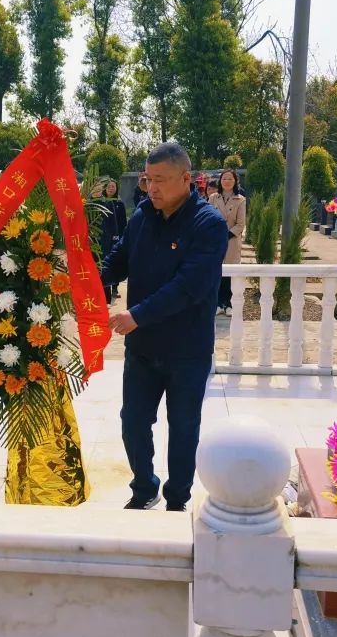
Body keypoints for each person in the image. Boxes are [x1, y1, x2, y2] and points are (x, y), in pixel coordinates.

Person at [101, 142, 227, 512]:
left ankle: (177, 498)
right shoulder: (142, 216)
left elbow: (188, 287)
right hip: (143, 348)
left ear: (186, 179)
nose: (151, 188)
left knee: (184, 427)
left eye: (160, 180)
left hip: (187, 350)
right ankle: (144, 487)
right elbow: (118, 260)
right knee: (133, 422)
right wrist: (86, 279)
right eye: (147, 179)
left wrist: (136, 315)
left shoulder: (208, 224)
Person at [209, 169, 246, 316]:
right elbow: (207, 217)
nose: (227, 181)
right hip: (214, 240)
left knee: (230, 273)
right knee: (216, 271)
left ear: (235, 181)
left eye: (230, 178)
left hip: (231, 241)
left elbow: (240, 224)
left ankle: (229, 304)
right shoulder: (213, 198)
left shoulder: (240, 200)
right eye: (224, 178)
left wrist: (226, 235)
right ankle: (218, 303)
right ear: (220, 181)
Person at [96, 177, 128, 304]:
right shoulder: (100, 203)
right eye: (108, 186)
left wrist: (120, 236)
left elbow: (122, 222)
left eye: (113, 186)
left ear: (116, 189)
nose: (110, 188)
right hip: (102, 237)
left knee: (113, 259)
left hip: (116, 236)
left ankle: (114, 287)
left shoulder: (119, 204)